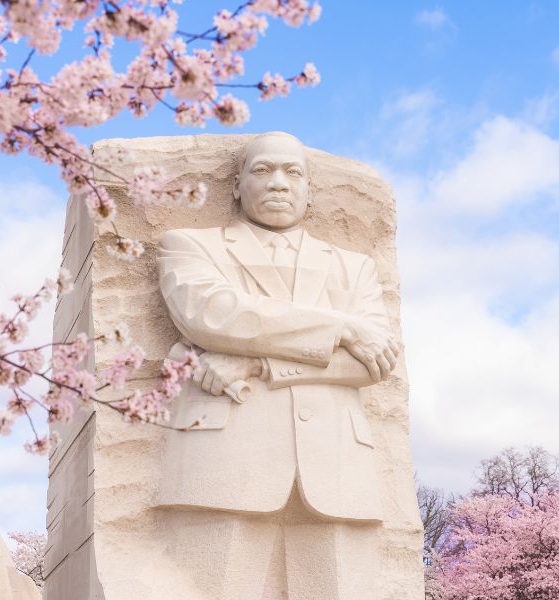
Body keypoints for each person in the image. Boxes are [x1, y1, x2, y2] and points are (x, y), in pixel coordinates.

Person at [154, 131, 398, 599]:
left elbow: (373, 363)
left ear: (309, 190)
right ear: (237, 185)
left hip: (337, 465)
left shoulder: (355, 267)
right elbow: (213, 314)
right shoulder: (189, 245)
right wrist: (343, 329)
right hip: (224, 457)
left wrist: (257, 363)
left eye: (293, 172)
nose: (279, 183)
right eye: (262, 170)